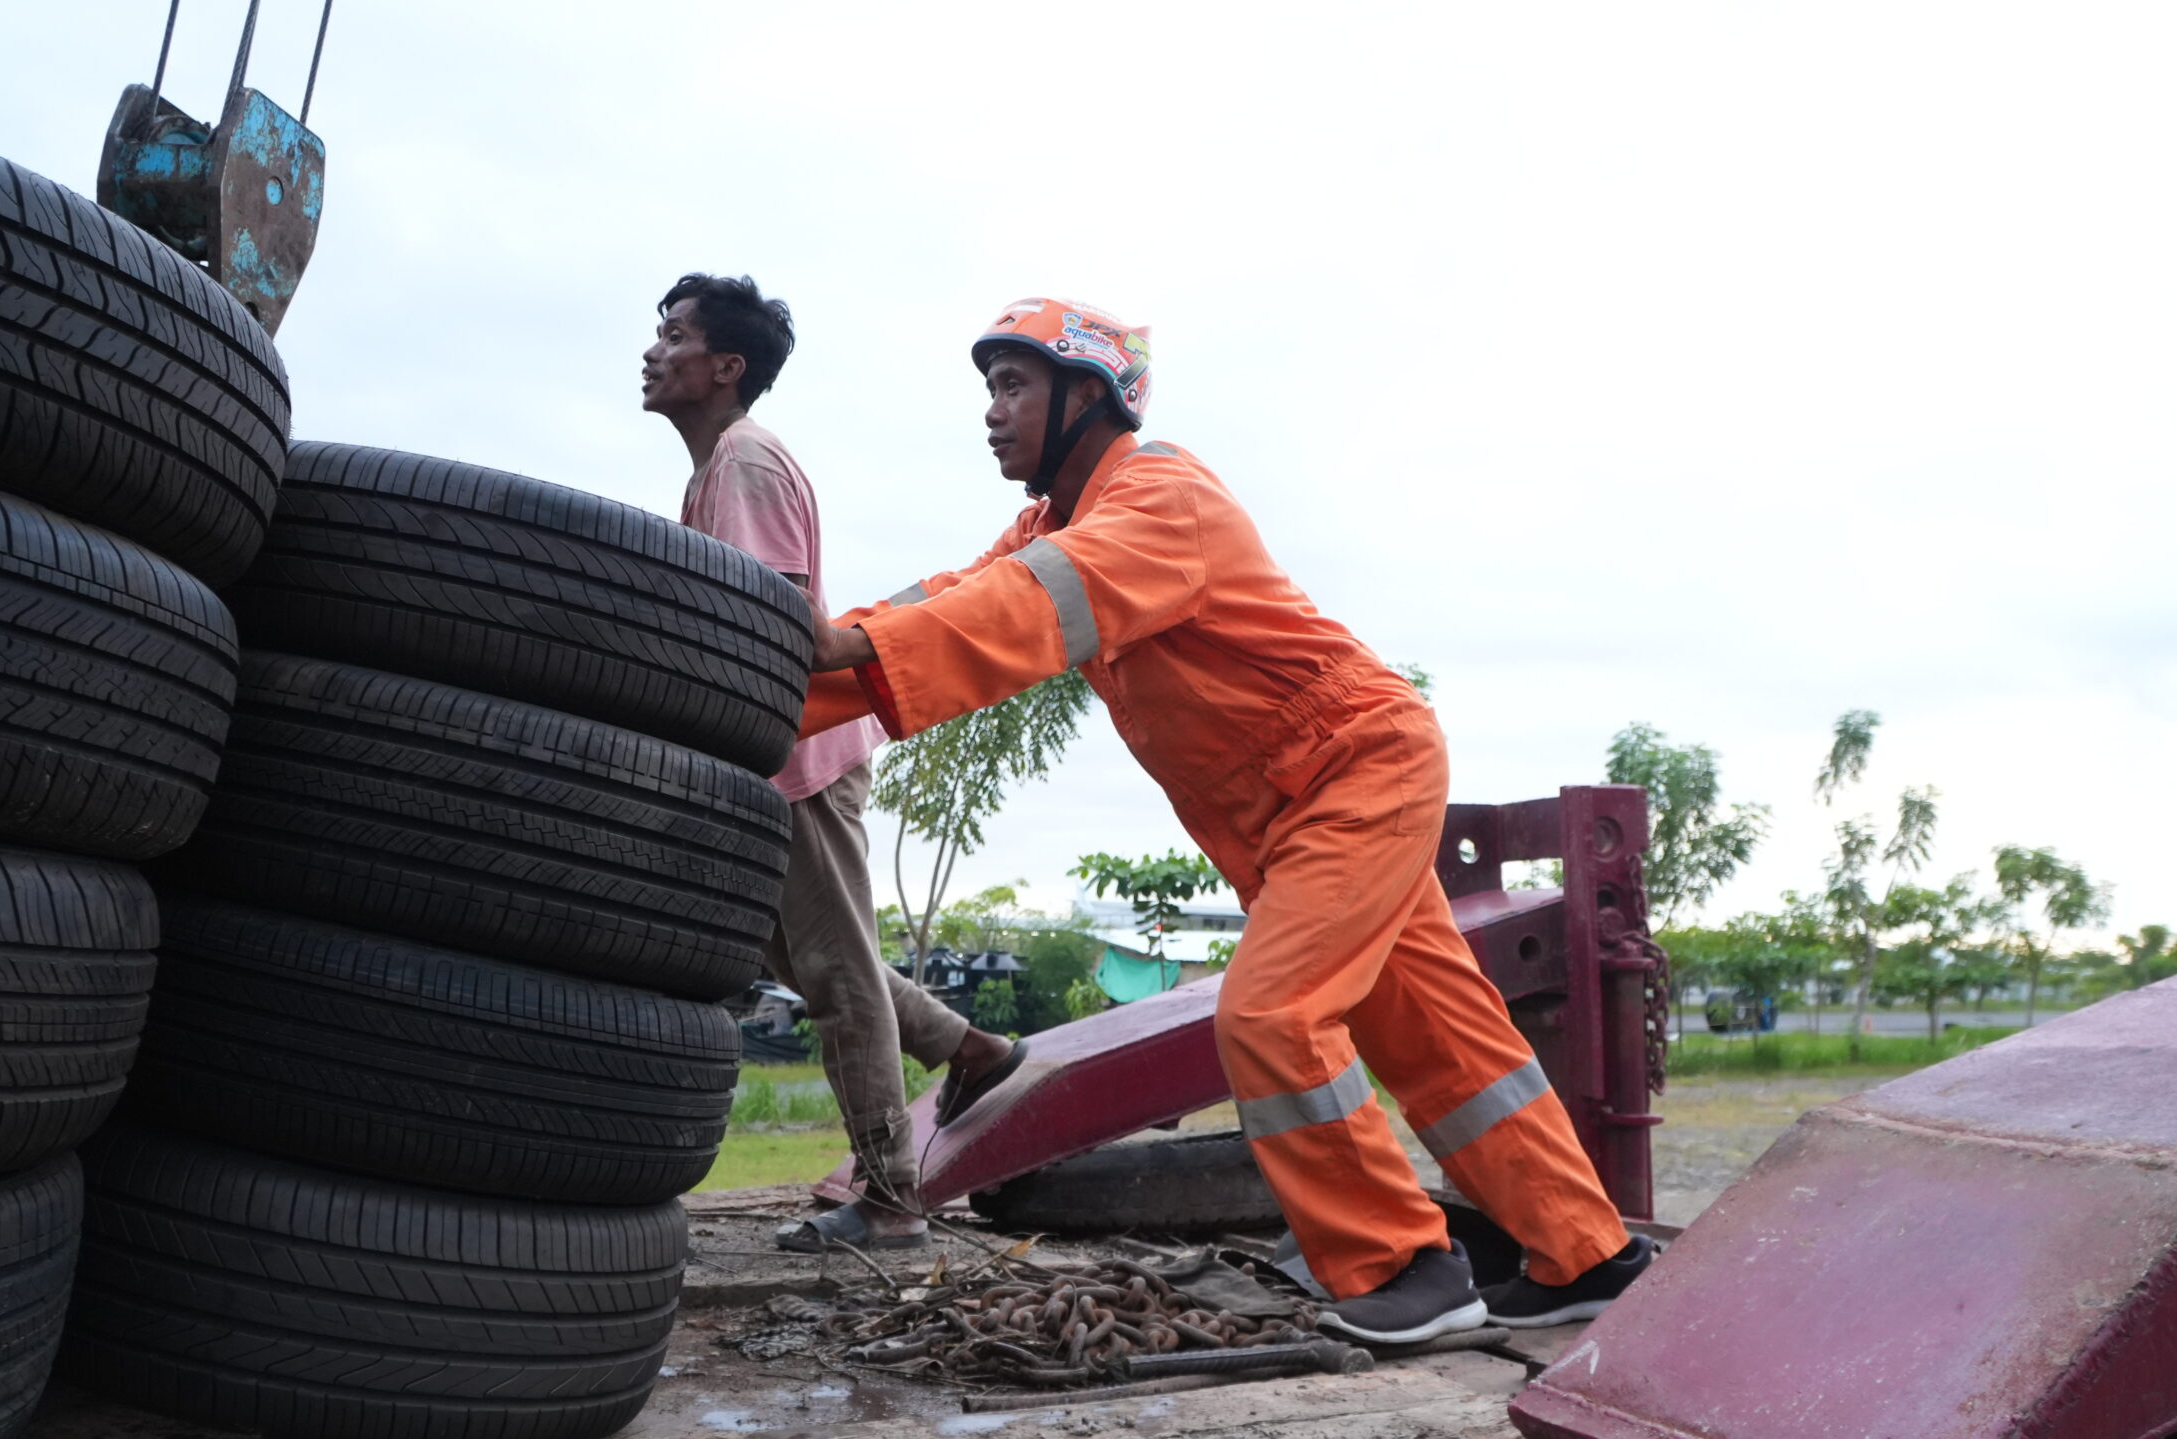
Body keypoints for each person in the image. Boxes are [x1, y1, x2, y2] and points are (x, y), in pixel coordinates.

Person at [795, 298, 1658, 1339]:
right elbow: (950, 597)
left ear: (1088, 393)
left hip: (1355, 767)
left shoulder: (1161, 497)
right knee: (1441, 1034)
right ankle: (1587, 1254)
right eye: (988, 388)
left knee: (1272, 1016)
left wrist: (847, 647)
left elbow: (1015, 605)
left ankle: (1402, 1265)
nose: (991, 410)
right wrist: (777, 684)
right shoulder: (1051, 529)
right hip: (1298, 801)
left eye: (1013, 384)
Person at [640, 274, 1026, 1252]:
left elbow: (764, 624)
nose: (653, 350)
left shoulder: (746, 461)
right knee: (812, 956)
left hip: (795, 755)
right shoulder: (718, 468)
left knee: (833, 972)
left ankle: (892, 1198)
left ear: (725, 367)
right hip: (777, 757)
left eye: (675, 335)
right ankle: (972, 1048)